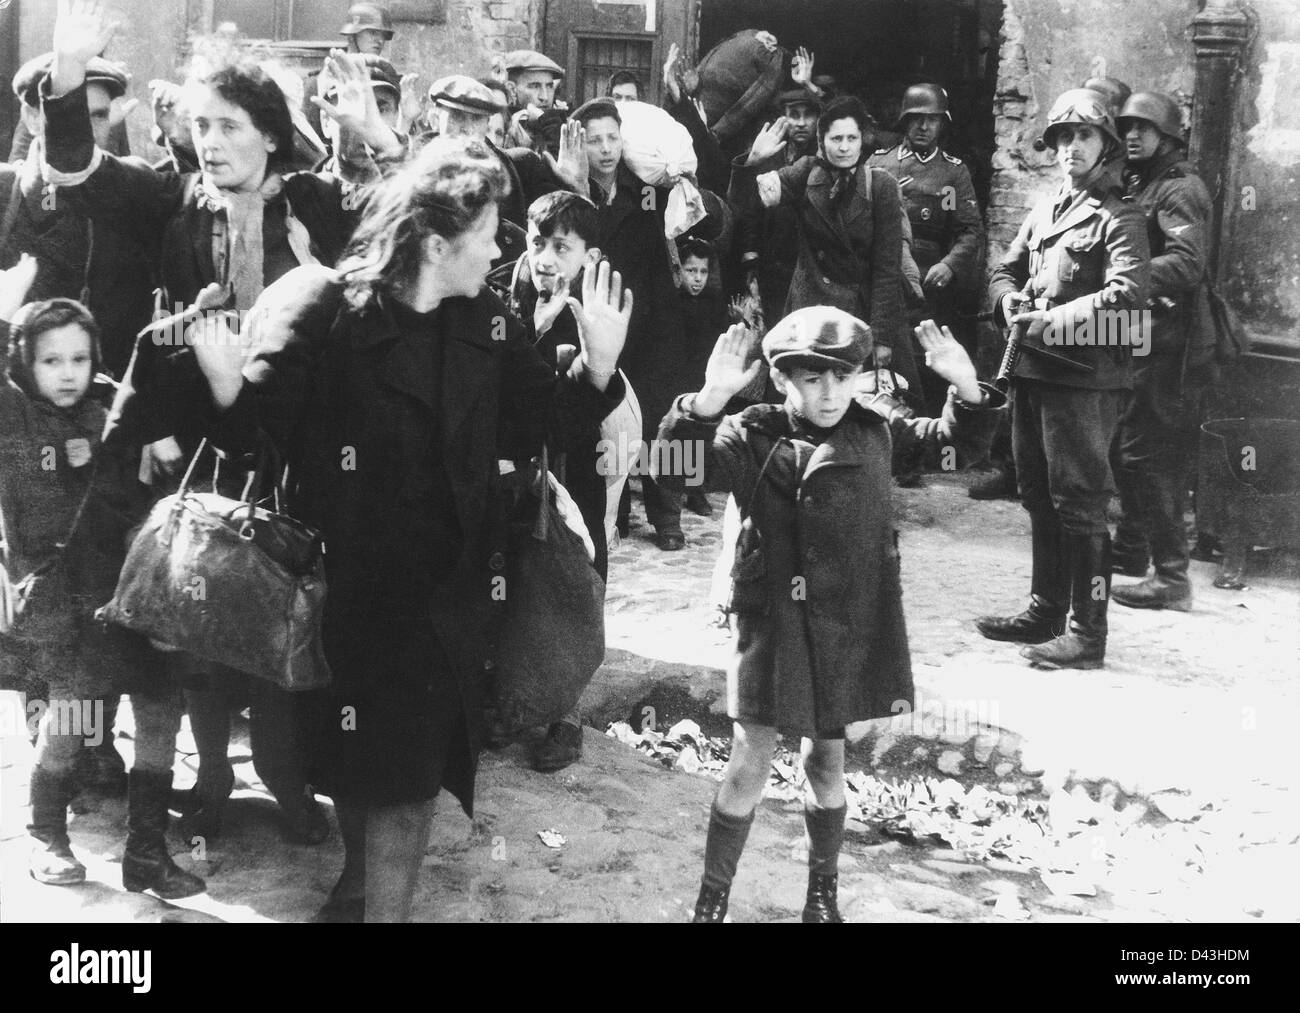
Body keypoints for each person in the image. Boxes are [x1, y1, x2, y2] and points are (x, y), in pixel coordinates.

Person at [191, 138, 631, 923]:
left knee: (410, 776)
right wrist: (227, 391)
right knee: (361, 764)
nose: (501, 250)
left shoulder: (486, 319)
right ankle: (359, 886)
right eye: (490, 234)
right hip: (341, 587)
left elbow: (535, 423)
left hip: (446, 593)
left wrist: (595, 369)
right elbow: (257, 444)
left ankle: (378, 906)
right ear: (436, 245)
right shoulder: (328, 310)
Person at [40, 1, 405, 842]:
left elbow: (410, 226)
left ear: (272, 134)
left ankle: (283, 776)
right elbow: (77, 174)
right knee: (195, 616)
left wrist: (375, 134)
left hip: (296, 444)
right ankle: (207, 775)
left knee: (284, 607)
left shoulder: (314, 200)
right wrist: (65, 76)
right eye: (200, 124)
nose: (210, 140)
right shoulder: (171, 204)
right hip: (194, 447)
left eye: (229, 125)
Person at [655, 308, 1000, 922]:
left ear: (859, 377)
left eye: (842, 377)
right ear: (784, 378)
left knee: (827, 760)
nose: (829, 393)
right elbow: (672, 469)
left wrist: (966, 391)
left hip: (845, 623)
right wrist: (705, 403)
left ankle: (822, 898)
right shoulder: (748, 433)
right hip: (770, 625)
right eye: (812, 379)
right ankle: (710, 904)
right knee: (747, 760)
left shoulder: (878, 431)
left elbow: (955, 448)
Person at [0, 263, 205, 899]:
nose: (67, 373)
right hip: (69, 599)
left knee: (161, 715)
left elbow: (152, 423)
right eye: (50, 360)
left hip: (136, 591)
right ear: (24, 366)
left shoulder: (112, 406)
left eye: (79, 358)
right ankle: (46, 835)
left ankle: (146, 851)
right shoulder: (15, 420)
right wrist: (6, 308)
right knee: (71, 722)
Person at [978, 89, 1150, 669]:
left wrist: (1051, 319)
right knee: (1036, 493)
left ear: (1105, 147)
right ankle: (1044, 609)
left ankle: (1087, 632)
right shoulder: (1047, 207)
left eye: (1084, 137)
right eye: (1062, 139)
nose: (1071, 148)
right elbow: (1005, 268)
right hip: (1030, 371)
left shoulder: (1120, 215)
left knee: (1080, 504)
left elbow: (1129, 295)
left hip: (1085, 379)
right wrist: (1008, 303)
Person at [569, 97, 726, 551]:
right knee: (609, 418)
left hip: (656, 319)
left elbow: (703, 223)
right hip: (603, 321)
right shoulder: (575, 192)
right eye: (595, 140)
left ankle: (669, 512)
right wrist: (575, 185)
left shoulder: (648, 188)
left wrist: (689, 188)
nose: (605, 149)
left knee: (667, 412)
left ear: (624, 140)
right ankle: (613, 509)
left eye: (612, 138)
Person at [1109, 91, 1216, 610]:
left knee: (1151, 457)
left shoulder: (1181, 189)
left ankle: (1172, 578)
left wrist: (1128, 277)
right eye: (1127, 127)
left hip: (1173, 345)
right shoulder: (1140, 181)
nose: (1132, 136)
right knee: (1129, 447)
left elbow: (1188, 263)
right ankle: (1130, 551)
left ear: (1168, 137)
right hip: (1143, 336)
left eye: (1144, 129)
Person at [735, 96, 906, 377]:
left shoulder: (881, 185)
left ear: (862, 140)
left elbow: (887, 267)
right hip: (809, 311)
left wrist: (882, 336)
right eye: (836, 138)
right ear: (821, 140)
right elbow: (749, 203)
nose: (844, 147)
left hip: (859, 312)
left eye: (852, 138)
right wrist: (752, 162)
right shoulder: (805, 172)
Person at [867, 84, 984, 418]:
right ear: (904, 121)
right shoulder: (881, 163)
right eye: (916, 118)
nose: (923, 127)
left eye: (932, 120)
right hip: (887, 275)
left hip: (932, 284)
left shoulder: (953, 172)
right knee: (882, 358)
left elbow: (969, 229)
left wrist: (949, 265)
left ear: (942, 125)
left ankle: (930, 437)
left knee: (928, 361)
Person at [504, 49, 568, 156]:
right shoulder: (501, 126)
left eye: (549, 86)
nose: (545, 97)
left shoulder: (561, 125)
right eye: (534, 86)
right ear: (512, 90)